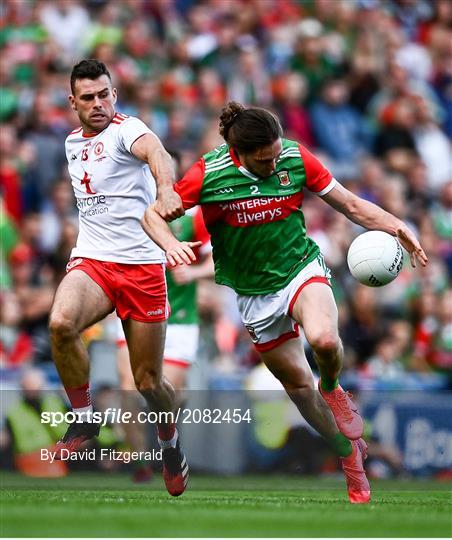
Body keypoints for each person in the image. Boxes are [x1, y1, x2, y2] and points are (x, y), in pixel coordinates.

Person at [141, 101, 428, 504]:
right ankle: (349, 456)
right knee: (297, 387)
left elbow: (349, 204)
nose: (275, 165)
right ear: (238, 155)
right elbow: (152, 217)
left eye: (277, 154)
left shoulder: (294, 157)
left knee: (325, 341)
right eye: (264, 160)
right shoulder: (209, 173)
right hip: (254, 294)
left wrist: (398, 227)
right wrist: (170, 244)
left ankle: (334, 387)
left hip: (299, 268)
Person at [48, 59, 191, 497]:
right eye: (88, 97)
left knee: (148, 382)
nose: (98, 103)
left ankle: (170, 445)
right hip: (93, 260)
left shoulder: (128, 129)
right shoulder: (73, 143)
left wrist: (166, 187)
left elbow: (156, 152)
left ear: (115, 94)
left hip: (141, 268)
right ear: (72, 102)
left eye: (104, 94)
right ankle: (86, 415)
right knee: (60, 323)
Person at [116, 202, 213, 482]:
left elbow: (218, 257)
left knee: (162, 394)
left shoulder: (193, 219)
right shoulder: (131, 208)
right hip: (135, 311)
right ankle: (139, 462)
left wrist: (194, 273)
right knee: (129, 387)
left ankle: (168, 450)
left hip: (179, 320)